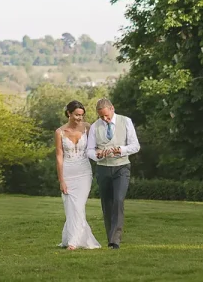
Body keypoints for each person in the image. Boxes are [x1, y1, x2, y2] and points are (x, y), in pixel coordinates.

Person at [85, 97, 140, 249]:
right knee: (107, 203)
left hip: (121, 167)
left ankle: (115, 240)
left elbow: (135, 146)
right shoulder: (95, 127)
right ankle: (110, 239)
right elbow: (89, 150)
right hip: (103, 168)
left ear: (112, 109)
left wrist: (121, 150)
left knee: (118, 200)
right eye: (101, 116)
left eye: (106, 115)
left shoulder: (126, 121)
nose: (104, 118)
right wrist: (97, 155)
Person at [54, 100, 103, 250]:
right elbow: (59, 156)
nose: (79, 118)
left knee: (78, 205)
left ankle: (73, 242)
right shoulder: (59, 132)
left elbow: (95, 146)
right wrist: (61, 180)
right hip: (68, 172)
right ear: (68, 114)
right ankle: (70, 238)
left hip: (84, 172)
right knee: (70, 206)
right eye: (76, 115)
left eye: (81, 115)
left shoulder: (88, 128)